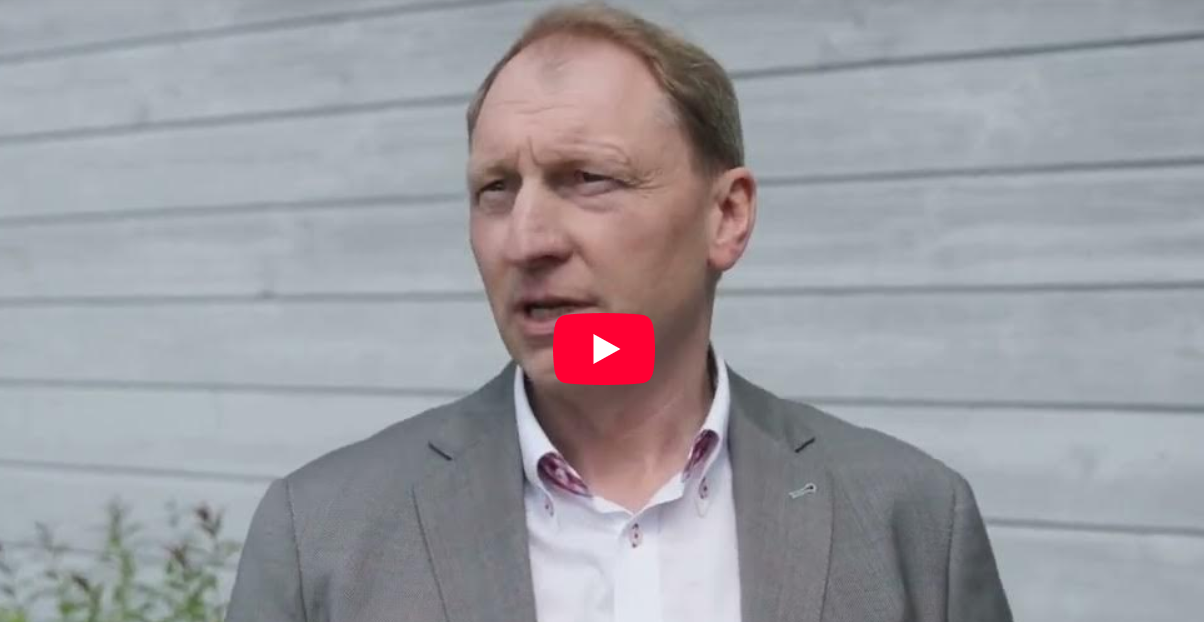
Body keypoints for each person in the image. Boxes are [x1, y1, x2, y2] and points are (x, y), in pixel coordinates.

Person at [226, 4, 1013, 621]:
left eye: (588, 179)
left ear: (727, 216)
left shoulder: (913, 520)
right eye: (496, 188)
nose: (526, 240)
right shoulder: (321, 536)